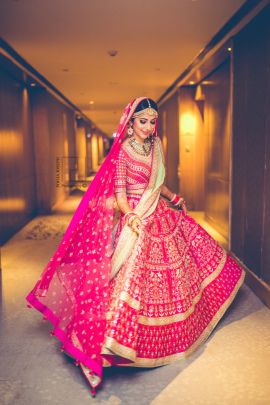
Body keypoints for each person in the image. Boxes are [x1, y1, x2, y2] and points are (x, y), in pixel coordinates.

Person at [26, 97, 245, 396]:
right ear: (130, 123)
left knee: (185, 264)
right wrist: (129, 215)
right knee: (131, 278)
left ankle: (176, 333)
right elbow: (119, 194)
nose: (148, 126)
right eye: (143, 121)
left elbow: (159, 184)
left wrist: (174, 197)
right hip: (137, 217)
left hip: (161, 212)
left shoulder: (157, 146)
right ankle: (117, 342)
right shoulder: (123, 154)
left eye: (152, 121)